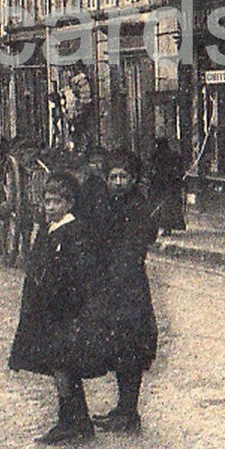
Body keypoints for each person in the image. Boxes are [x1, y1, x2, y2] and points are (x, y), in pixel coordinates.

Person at [8, 172, 107, 444]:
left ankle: (70, 421)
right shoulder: (49, 230)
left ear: (70, 203)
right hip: (47, 312)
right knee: (60, 366)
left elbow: (78, 275)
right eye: (47, 201)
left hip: (64, 312)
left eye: (56, 202)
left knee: (64, 366)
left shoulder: (74, 233)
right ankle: (78, 419)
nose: (50, 207)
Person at [84, 155, 158, 434]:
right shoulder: (106, 204)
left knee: (131, 348)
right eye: (113, 177)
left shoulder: (138, 207)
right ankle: (122, 408)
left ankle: (129, 411)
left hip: (129, 287)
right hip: (111, 285)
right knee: (118, 347)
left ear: (133, 179)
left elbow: (135, 247)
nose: (117, 182)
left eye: (123, 177)